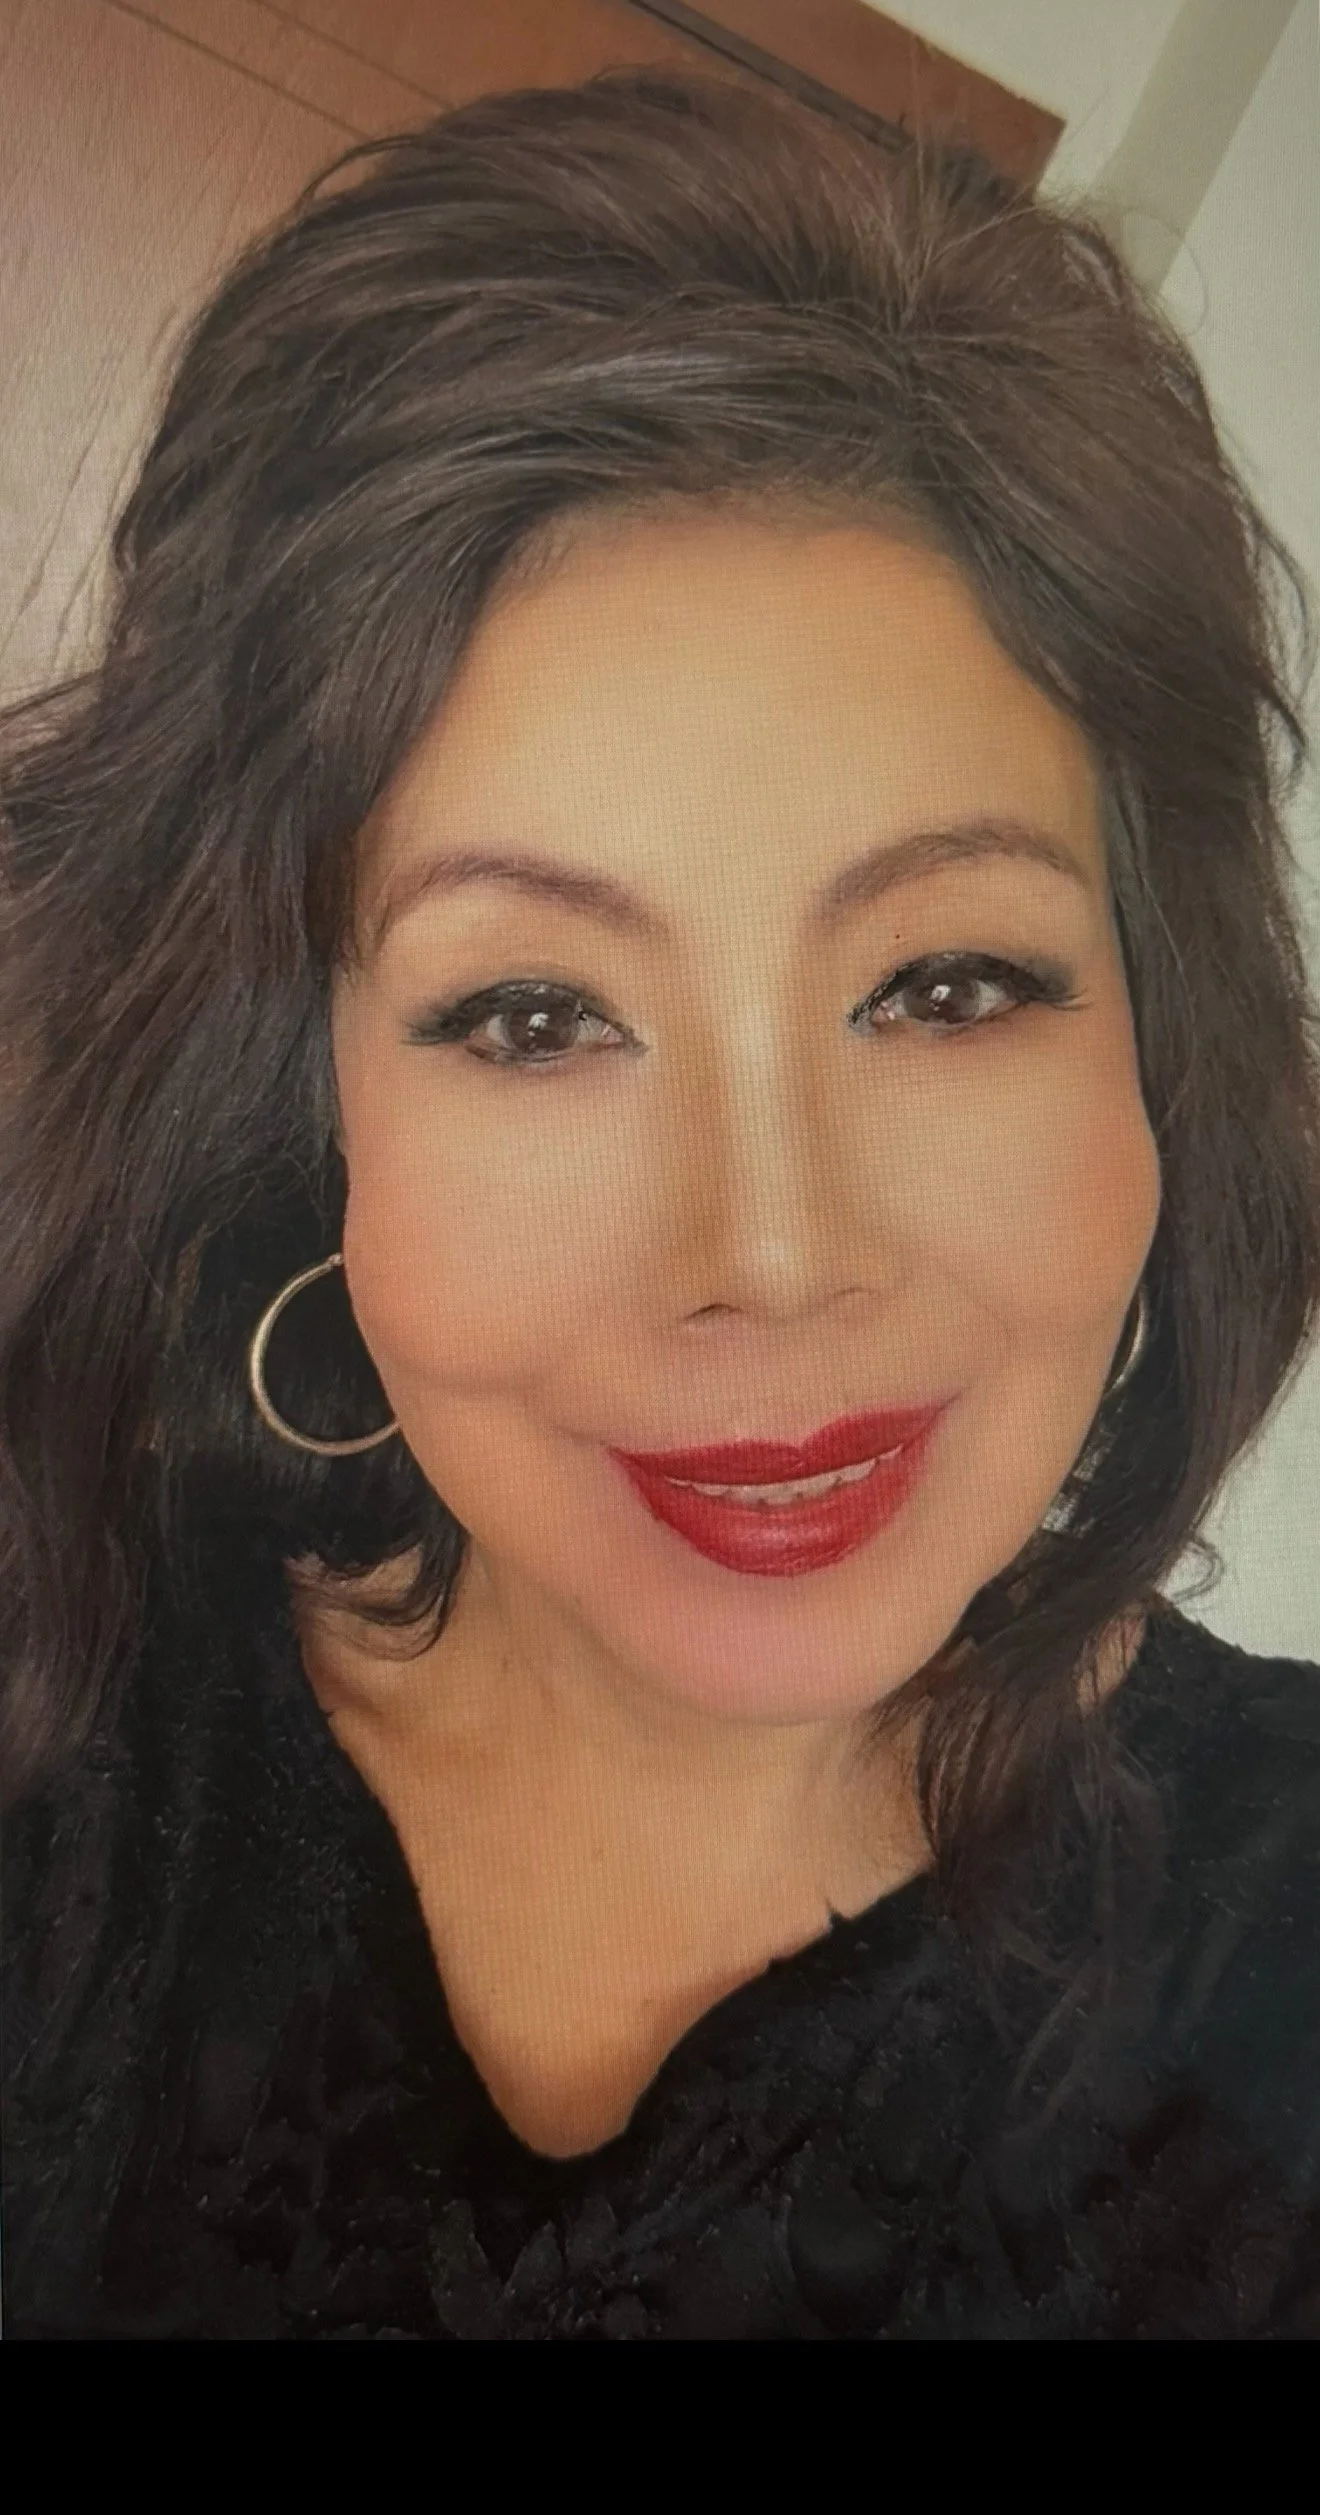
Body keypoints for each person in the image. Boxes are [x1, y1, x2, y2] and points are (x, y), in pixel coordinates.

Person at [3, 66, 1319, 2344]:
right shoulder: (59, 1713)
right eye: (530, 1015)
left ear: (1162, 1054)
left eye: (946, 983)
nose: (775, 1257)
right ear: (302, 1103)